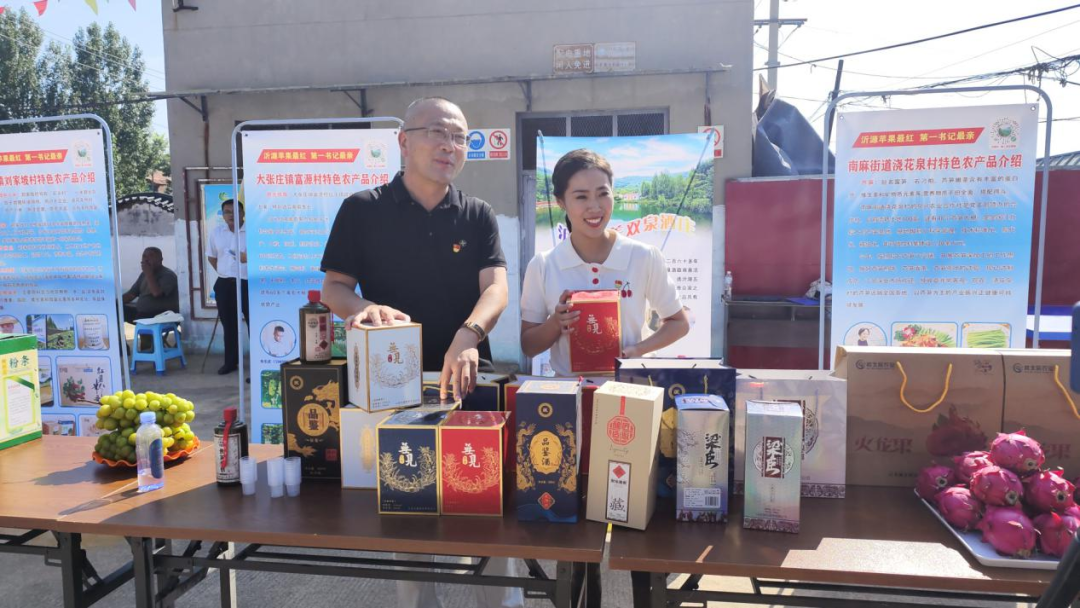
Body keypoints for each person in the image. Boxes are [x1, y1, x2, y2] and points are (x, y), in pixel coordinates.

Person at [320, 97, 519, 608]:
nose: (449, 145)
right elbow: (334, 289)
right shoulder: (362, 209)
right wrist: (366, 309)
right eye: (437, 132)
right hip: (394, 384)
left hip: (469, 380)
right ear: (404, 141)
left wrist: (468, 334)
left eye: (459, 137)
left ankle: (500, 603)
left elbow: (496, 289)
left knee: (484, 503)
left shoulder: (477, 214)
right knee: (406, 508)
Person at [520, 149, 690, 374]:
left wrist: (638, 350)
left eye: (602, 193)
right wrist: (556, 323)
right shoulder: (543, 266)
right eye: (581, 197)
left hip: (631, 387)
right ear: (561, 202)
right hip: (569, 391)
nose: (595, 207)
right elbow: (529, 346)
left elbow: (679, 323)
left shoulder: (644, 257)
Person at [206, 199, 248, 375]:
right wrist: (224, 272)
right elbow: (211, 256)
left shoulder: (252, 232)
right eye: (227, 212)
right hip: (224, 284)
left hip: (247, 284)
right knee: (229, 325)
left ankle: (258, 365)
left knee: (253, 323)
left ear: (242, 213)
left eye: (235, 211)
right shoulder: (216, 232)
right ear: (223, 215)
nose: (231, 215)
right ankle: (231, 362)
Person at [122, 247, 180, 323]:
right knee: (116, 309)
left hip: (160, 316)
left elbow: (156, 293)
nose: (146, 259)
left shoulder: (168, 275)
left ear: (160, 259)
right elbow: (131, 295)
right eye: (144, 256)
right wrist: (113, 303)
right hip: (142, 314)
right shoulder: (144, 274)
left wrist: (149, 273)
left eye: (151, 256)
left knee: (141, 316)